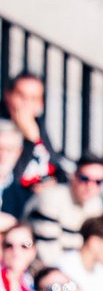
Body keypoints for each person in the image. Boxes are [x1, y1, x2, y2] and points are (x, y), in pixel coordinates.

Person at [0, 71, 66, 219]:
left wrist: (55, 181)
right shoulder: (5, 128)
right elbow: (8, 177)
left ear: (40, 104)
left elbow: (56, 165)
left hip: (46, 196)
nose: (26, 103)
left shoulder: (37, 124)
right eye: (21, 96)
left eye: (34, 98)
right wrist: (30, 139)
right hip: (17, 207)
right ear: (8, 95)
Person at [24, 152, 103, 265]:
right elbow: (47, 255)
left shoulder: (96, 205)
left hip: (72, 267)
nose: (90, 186)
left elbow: (94, 251)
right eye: (85, 179)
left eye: (98, 182)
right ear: (74, 176)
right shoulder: (51, 199)